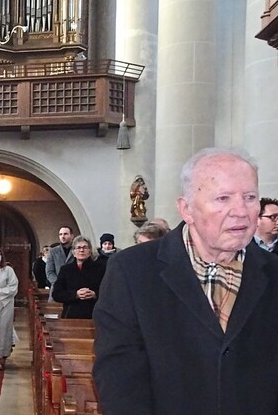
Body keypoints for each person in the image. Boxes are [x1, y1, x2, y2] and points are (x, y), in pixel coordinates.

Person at [93, 147, 278, 415]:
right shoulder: (132, 270)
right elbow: (119, 377)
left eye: (250, 197)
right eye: (223, 198)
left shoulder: (272, 272)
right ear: (187, 209)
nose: (241, 211)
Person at [52, 236, 105, 319]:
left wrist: (95, 294)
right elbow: (56, 294)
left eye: (85, 247)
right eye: (78, 248)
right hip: (71, 314)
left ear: (90, 251)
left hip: (94, 314)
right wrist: (75, 294)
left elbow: (108, 291)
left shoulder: (100, 268)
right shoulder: (66, 270)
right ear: (73, 252)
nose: (81, 250)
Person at [45, 226, 74, 299]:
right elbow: (49, 271)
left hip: (73, 288)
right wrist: (58, 283)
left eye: (65, 234)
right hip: (56, 288)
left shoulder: (76, 250)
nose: (63, 236)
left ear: (72, 236)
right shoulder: (53, 251)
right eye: (60, 234)